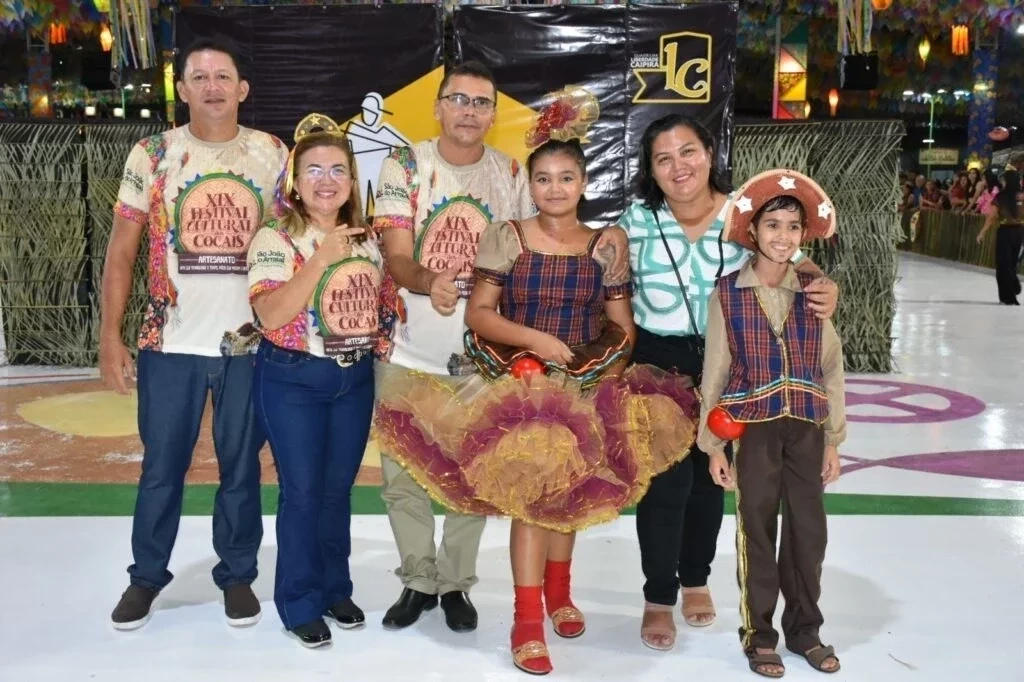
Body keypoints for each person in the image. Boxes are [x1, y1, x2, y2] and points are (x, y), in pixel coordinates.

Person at [377, 138, 697, 675]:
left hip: (583, 385)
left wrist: (603, 384)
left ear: (584, 183)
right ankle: (526, 619)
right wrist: (537, 343)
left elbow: (621, 325)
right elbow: (479, 314)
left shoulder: (604, 245)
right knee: (533, 504)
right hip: (521, 390)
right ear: (530, 185)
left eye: (566, 177)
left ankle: (560, 592)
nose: (555, 188)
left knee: (571, 494)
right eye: (543, 178)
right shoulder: (507, 237)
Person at [617, 114, 838, 650]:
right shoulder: (636, 219)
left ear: (710, 153)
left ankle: (696, 578)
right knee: (664, 484)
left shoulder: (744, 213)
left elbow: (798, 262)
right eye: (663, 158)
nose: (678, 166)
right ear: (650, 169)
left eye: (688, 152)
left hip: (733, 364)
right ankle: (658, 596)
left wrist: (824, 286)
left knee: (710, 480)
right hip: (658, 362)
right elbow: (608, 275)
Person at [101, 37, 289, 630]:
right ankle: (146, 577)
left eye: (222, 76)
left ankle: (237, 575)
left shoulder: (272, 154)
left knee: (241, 468)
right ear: (182, 89)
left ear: (242, 89)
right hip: (169, 341)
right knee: (161, 468)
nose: (212, 86)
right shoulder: (153, 155)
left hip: (248, 344)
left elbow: (293, 245)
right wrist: (110, 335)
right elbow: (121, 251)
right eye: (199, 77)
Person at [370, 60, 535, 633]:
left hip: (483, 358)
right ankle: (418, 579)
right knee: (403, 478)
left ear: (493, 113)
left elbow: (528, 257)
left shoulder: (510, 173)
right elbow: (395, 255)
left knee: (474, 474)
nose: (469, 111)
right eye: (459, 99)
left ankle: (456, 582)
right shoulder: (405, 164)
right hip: (407, 350)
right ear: (438, 107)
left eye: (481, 102)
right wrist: (427, 280)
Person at [698, 169, 846, 678]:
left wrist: (833, 439)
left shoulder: (815, 292)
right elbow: (715, 371)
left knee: (809, 531)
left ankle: (805, 630)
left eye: (793, 227)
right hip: (753, 428)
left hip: (806, 427)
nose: (783, 236)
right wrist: (713, 445)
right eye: (773, 225)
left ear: (803, 234)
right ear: (753, 231)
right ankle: (759, 635)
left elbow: (831, 367)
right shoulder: (727, 294)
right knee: (756, 528)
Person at [246, 114, 382, 647]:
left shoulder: (367, 239)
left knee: (335, 492)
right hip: (293, 379)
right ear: (296, 183)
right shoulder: (275, 237)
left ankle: (334, 589)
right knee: (302, 493)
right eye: (314, 171)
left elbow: (378, 305)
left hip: (354, 379)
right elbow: (270, 314)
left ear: (352, 180)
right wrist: (320, 259)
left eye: (338, 170)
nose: (327, 181)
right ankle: (298, 600)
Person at [976, 169, 1022, 305]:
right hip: (1019, 232)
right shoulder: (1021, 196)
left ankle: (1007, 296)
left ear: (1007, 181)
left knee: (1003, 264)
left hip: (1005, 232)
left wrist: (982, 232)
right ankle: (1013, 284)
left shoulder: (1000, 197)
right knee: (1012, 262)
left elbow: (992, 217)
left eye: (1003, 180)